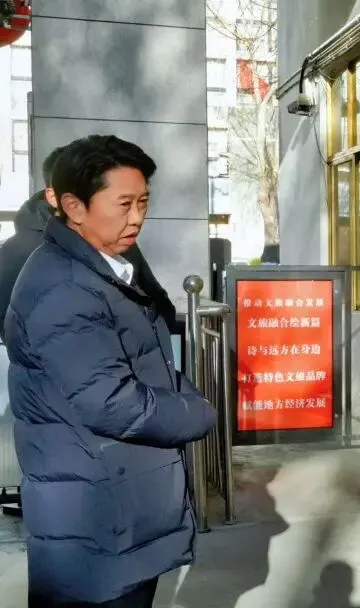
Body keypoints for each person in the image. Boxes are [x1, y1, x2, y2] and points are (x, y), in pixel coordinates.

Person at [5, 134, 217, 607]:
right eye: (124, 204)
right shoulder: (65, 286)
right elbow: (110, 402)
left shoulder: (101, 266)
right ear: (73, 207)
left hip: (113, 496)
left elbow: (145, 357)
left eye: (143, 202)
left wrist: (183, 396)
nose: (137, 217)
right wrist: (197, 413)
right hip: (94, 508)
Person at [0, 144, 178, 341]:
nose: (135, 218)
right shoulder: (18, 251)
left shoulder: (117, 240)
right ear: (54, 197)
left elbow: (160, 307)